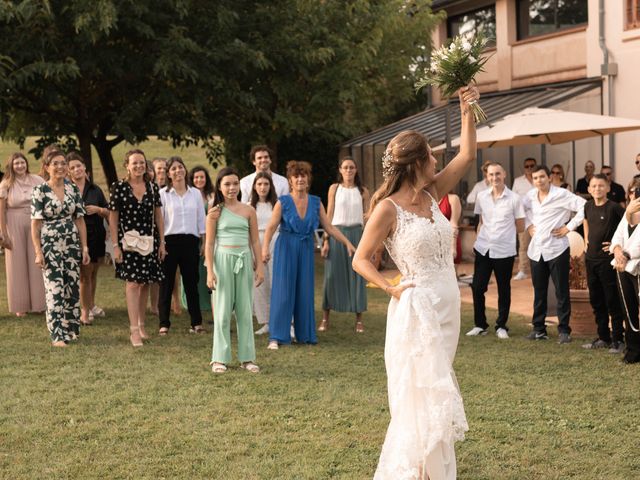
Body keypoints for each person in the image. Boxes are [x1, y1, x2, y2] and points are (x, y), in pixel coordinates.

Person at [352, 85, 479, 480]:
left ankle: (431, 470)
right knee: (422, 395)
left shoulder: (432, 192)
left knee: (436, 394)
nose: (436, 158)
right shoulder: (387, 209)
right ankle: (421, 473)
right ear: (416, 162)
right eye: (430, 154)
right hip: (416, 310)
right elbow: (360, 259)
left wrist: (467, 109)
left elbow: (468, 155)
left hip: (448, 306)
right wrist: (390, 287)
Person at [262, 160, 356, 350]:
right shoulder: (283, 202)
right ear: (290, 180)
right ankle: (277, 336)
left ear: (308, 179)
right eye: (296, 176)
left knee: (304, 291)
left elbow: (329, 227)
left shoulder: (315, 202)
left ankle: (304, 335)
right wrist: (264, 249)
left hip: (305, 249)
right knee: (283, 292)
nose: (300, 179)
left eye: (303, 176)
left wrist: (347, 242)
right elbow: (271, 228)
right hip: (286, 247)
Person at [204, 167, 264, 373]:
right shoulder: (214, 212)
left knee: (245, 311)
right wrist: (210, 271)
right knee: (221, 312)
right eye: (227, 184)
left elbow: (255, 241)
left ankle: (247, 358)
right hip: (222, 263)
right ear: (220, 187)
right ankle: (219, 358)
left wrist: (260, 266)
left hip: (244, 260)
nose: (232, 188)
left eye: (235, 183)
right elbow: (209, 245)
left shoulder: (249, 210)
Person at [31, 150, 90, 347]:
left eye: (63, 163)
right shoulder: (40, 191)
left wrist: (85, 247)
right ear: (47, 167)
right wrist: (38, 252)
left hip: (72, 243)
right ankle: (57, 334)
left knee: (71, 287)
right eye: (55, 163)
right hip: (50, 245)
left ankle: (71, 329)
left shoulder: (73, 189)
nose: (60, 167)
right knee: (54, 288)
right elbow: (35, 225)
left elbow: (80, 220)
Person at [522, 165, 586, 344]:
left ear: (549, 177)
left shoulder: (561, 194)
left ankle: (564, 330)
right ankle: (539, 329)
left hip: (557, 248)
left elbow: (584, 206)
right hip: (537, 251)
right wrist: (528, 226)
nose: (539, 181)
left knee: (561, 291)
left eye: (542, 177)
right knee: (539, 290)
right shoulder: (530, 196)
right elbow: (523, 210)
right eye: (535, 178)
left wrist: (569, 227)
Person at [109, 149, 166, 347]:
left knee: (144, 284)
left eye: (142, 163)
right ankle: (133, 330)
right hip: (128, 244)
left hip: (149, 243)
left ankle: (142, 325)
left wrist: (162, 242)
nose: (139, 166)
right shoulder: (119, 187)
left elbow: (158, 216)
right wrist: (115, 245)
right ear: (127, 165)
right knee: (132, 284)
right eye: (135, 163)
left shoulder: (152, 188)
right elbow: (113, 218)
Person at [467, 163, 525, 339]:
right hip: (483, 248)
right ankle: (480, 325)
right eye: (491, 174)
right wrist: (477, 239)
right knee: (477, 287)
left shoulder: (514, 198)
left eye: (498, 174)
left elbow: (520, 226)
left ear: (504, 174)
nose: (494, 178)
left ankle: (501, 325)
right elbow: (481, 221)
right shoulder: (481, 196)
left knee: (503, 288)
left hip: (504, 251)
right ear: (487, 176)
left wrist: (503, 235)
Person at [320, 157, 370, 333]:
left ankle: (359, 320)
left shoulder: (363, 191)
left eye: (352, 167)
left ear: (356, 170)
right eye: (345, 167)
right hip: (336, 234)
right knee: (331, 275)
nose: (349, 170)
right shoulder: (334, 189)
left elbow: (367, 216)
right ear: (340, 170)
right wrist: (326, 240)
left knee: (357, 276)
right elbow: (329, 214)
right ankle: (325, 318)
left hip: (357, 235)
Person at [158, 156, 206, 335]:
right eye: (173, 169)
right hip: (169, 242)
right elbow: (160, 221)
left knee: (191, 282)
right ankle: (164, 323)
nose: (178, 171)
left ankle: (196, 322)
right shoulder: (163, 194)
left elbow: (201, 218)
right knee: (166, 283)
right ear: (169, 174)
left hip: (190, 241)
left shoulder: (195, 194)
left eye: (180, 167)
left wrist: (203, 241)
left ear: (185, 170)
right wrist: (161, 243)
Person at [582, 174, 625, 352]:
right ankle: (603, 337)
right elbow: (585, 220)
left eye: (601, 186)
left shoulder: (614, 207)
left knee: (611, 300)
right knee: (596, 300)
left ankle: (618, 340)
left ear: (608, 188)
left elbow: (627, 226)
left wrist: (617, 244)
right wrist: (586, 240)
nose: (597, 189)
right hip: (591, 260)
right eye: (594, 186)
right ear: (589, 189)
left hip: (608, 261)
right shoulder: (588, 205)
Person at [0, 153, 45, 316]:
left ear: (26, 164)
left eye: (22, 162)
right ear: (11, 166)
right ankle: (20, 306)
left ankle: (39, 304)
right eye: (16, 163)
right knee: (16, 264)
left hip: (35, 221)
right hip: (14, 222)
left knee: (37, 262)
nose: (20, 165)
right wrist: (3, 233)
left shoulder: (37, 180)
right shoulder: (6, 183)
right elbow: (1, 211)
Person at [67, 152, 109, 325]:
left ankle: (90, 305)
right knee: (84, 274)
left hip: (97, 236)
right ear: (69, 172)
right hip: (75, 237)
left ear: (85, 168)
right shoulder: (67, 190)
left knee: (93, 273)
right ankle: (84, 311)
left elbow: (108, 212)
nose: (77, 169)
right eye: (73, 167)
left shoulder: (95, 189)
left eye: (79, 166)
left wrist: (98, 209)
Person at [610, 179, 640, 364]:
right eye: (632, 192)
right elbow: (617, 238)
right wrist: (618, 251)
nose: (635, 196)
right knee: (628, 310)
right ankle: (633, 350)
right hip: (622, 268)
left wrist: (626, 254)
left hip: (635, 267)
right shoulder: (626, 215)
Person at [180, 165, 215, 316]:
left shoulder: (212, 196)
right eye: (196, 177)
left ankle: (208, 302)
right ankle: (191, 302)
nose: (199, 180)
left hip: (209, 238)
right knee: (192, 271)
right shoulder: (188, 195)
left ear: (206, 179)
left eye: (202, 177)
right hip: (191, 238)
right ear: (191, 179)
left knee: (206, 270)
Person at [249, 171, 279, 335]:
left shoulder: (276, 204)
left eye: (266, 184)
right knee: (261, 284)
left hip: (275, 241)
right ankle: (266, 322)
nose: (262, 187)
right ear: (254, 186)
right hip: (256, 243)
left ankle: (281, 320)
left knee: (277, 282)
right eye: (259, 184)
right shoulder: (249, 206)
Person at [512, 157, 537, 280]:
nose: (529, 168)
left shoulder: (539, 179)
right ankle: (522, 270)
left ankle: (537, 269)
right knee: (523, 245)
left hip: (539, 218)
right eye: (527, 166)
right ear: (524, 167)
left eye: (532, 165)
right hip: (524, 217)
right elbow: (513, 199)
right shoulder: (518, 181)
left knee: (539, 244)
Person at [438, 191, 462, 267]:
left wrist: (453, 247)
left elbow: (454, 224)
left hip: (450, 241)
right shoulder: (427, 200)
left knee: (452, 275)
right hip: (433, 243)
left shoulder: (453, 199)